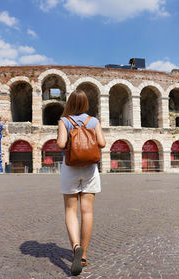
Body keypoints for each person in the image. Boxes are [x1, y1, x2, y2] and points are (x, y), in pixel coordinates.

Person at [56, 90, 106, 276]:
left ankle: (75, 246)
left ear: (69, 103)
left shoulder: (64, 121)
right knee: (87, 212)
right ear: (85, 103)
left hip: (70, 168)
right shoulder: (93, 121)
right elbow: (102, 143)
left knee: (70, 210)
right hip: (90, 169)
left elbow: (61, 144)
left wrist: (64, 137)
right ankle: (83, 255)